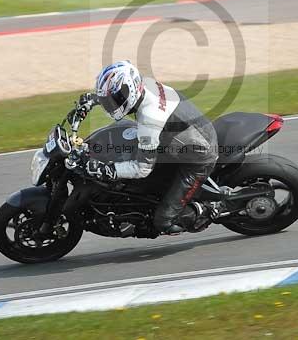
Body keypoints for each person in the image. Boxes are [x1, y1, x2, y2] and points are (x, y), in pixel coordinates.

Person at [81, 60, 218, 235]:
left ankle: (208, 209)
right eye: (108, 100)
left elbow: (142, 168)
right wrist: (95, 100)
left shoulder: (150, 118)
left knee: (163, 221)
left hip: (199, 157)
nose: (111, 104)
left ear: (130, 90)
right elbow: (119, 96)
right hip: (183, 137)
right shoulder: (143, 84)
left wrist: (106, 170)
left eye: (112, 100)